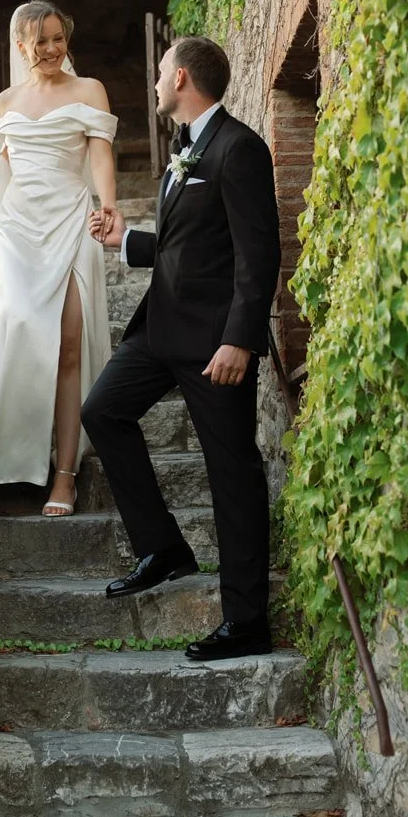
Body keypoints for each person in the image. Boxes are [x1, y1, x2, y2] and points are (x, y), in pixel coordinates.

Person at [83, 36, 281, 660]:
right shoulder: (185, 149)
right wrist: (126, 239)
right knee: (102, 412)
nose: (158, 80)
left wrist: (240, 340)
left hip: (213, 346)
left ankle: (246, 623)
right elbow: (184, 247)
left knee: (233, 474)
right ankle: (164, 547)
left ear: (185, 78)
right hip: (158, 331)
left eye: (163, 71)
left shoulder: (239, 148)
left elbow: (258, 254)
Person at [0, 0, 119, 515]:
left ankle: (64, 477)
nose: (50, 49)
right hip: (18, 229)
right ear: (20, 45)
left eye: (57, 38)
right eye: (39, 41)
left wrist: (108, 205)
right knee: (22, 327)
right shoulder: (6, 100)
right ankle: (16, 456)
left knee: (69, 344)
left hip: (69, 220)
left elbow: (99, 155)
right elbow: (8, 168)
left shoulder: (88, 90)